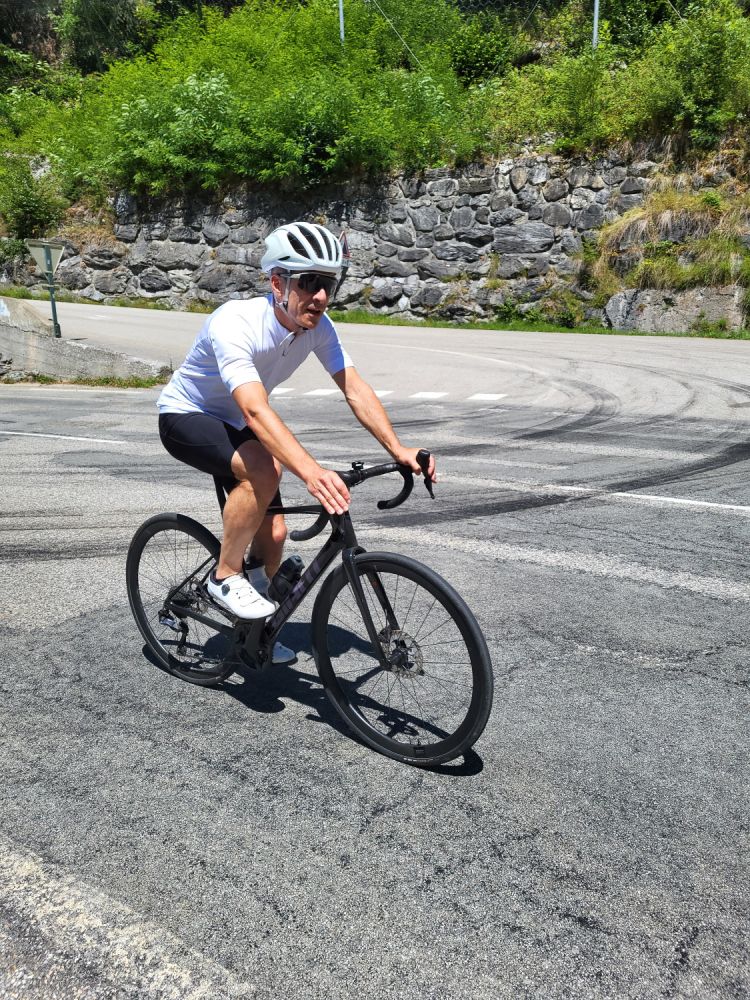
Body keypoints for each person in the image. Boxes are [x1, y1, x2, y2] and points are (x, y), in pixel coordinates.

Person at [156, 221, 437, 660]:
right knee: (264, 468)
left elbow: (354, 388)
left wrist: (397, 449)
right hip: (186, 415)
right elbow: (254, 410)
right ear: (277, 283)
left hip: (235, 421)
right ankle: (223, 576)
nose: (320, 296)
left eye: (328, 284)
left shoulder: (318, 328)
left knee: (275, 532)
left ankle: (254, 633)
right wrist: (312, 473)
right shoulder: (235, 322)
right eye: (308, 282)